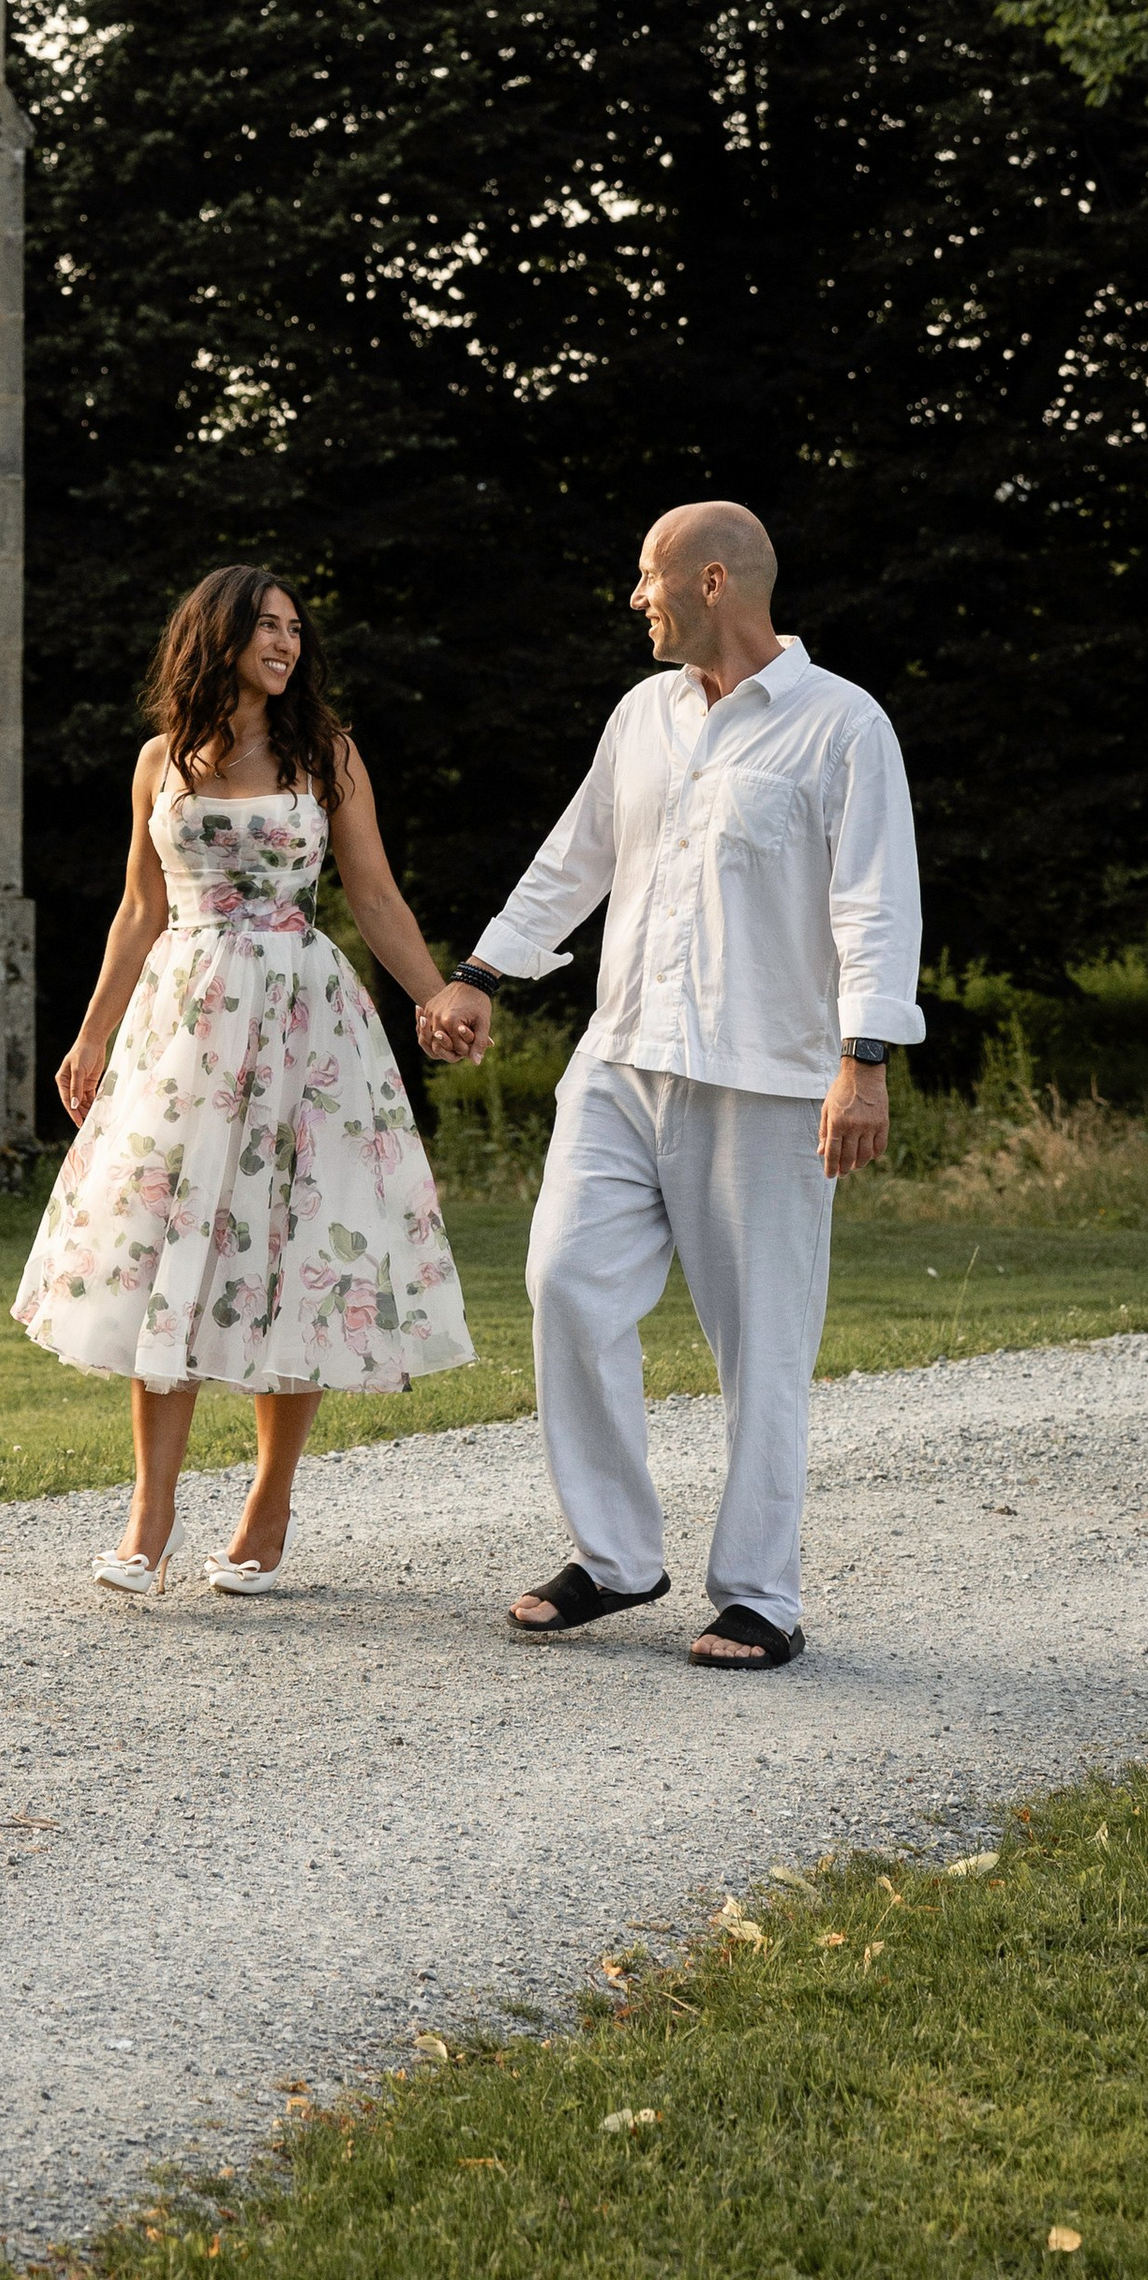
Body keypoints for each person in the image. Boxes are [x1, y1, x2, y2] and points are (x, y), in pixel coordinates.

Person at [419, 501, 920, 1671]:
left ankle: (759, 1596)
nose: (631, 599)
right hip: (620, 1059)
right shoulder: (641, 715)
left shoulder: (841, 726)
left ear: (708, 582)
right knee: (565, 1283)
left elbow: (875, 903)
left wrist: (865, 1061)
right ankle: (614, 1557)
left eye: (645, 578)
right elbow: (573, 857)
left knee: (761, 1344)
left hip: (770, 1080)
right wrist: (487, 969)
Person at [13, 564, 474, 1597]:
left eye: (294, 629)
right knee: (160, 1249)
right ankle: (150, 1516)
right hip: (183, 1023)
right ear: (215, 636)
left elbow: (375, 895)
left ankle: (267, 1505)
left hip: (304, 1022)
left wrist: (434, 994)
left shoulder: (327, 756)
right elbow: (137, 913)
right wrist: (90, 1040)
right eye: (267, 626)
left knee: (297, 1244)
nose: (287, 643)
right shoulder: (157, 764)